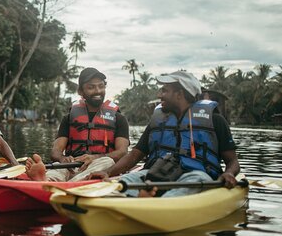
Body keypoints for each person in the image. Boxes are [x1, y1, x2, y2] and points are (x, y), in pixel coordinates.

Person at [89, 70, 240, 197]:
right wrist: (107, 172)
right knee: (125, 181)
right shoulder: (158, 121)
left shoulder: (215, 120)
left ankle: (154, 203)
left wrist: (229, 174)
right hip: (157, 173)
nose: (160, 94)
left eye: (165, 90)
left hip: (195, 176)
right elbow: (134, 155)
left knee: (196, 179)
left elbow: (233, 161)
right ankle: (115, 198)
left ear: (179, 94)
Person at [26, 67, 130, 181]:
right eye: (91, 87)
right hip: (72, 165)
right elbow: (56, 151)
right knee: (59, 168)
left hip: (100, 165)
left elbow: (122, 152)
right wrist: (62, 158)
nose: (98, 91)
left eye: (101, 86)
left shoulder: (119, 118)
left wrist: (94, 157)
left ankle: (67, 185)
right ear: (81, 91)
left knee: (107, 161)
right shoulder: (69, 118)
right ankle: (46, 180)